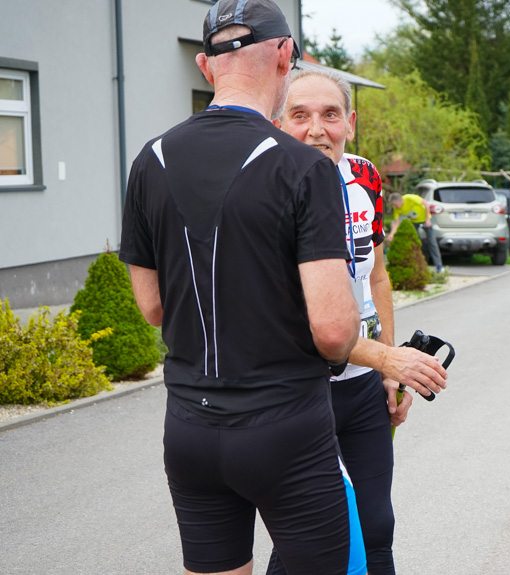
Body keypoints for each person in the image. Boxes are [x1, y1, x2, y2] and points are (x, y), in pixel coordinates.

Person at [118, 1, 367, 574]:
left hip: (189, 428)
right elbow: (333, 332)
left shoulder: (148, 161)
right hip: (285, 428)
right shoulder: (305, 166)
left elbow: (153, 308)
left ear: (207, 66)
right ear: (285, 55)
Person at [267, 67, 449, 575]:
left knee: (376, 526)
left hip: (363, 385)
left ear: (351, 121)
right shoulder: (265, 188)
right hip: (301, 391)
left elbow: (379, 279)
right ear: (279, 124)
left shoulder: (365, 176)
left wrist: (389, 366)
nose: (316, 128)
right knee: (308, 535)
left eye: (329, 114)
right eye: (299, 115)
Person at [386, 192, 444, 273]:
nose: (394, 206)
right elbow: (396, 222)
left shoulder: (410, 198)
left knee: (432, 242)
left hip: (425, 220)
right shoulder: (396, 209)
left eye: (395, 204)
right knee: (416, 243)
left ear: (400, 201)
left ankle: (439, 266)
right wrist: (391, 235)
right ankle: (419, 264)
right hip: (414, 222)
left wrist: (427, 219)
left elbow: (426, 204)